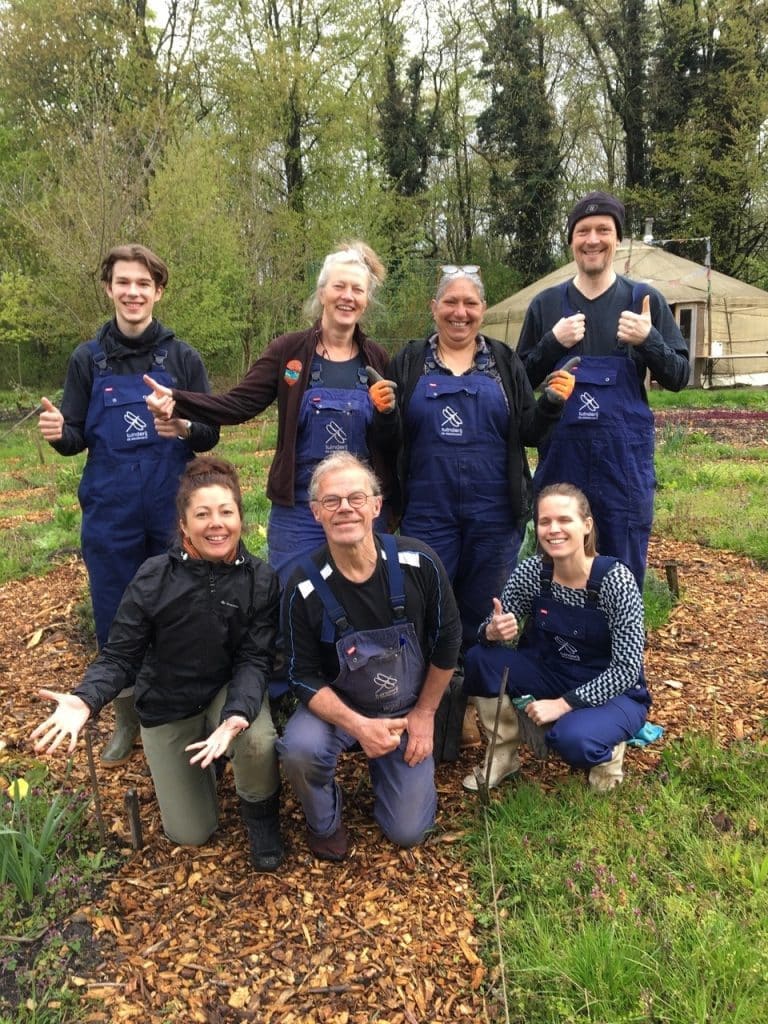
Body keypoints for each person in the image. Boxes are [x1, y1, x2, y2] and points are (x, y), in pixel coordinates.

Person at [29, 457, 284, 870]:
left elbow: (255, 659)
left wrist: (237, 716)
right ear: (184, 525)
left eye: (226, 512)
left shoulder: (261, 579)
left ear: (240, 517)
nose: (215, 524)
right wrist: (86, 700)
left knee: (255, 740)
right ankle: (204, 769)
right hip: (168, 702)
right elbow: (120, 654)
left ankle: (261, 814)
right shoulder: (153, 577)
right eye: (202, 514)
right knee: (191, 834)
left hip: (226, 692)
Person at [38, 244, 219, 766]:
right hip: (110, 512)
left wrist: (182, 424)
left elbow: (208, 433)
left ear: (158, 290)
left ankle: (178, 708)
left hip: (171, 509)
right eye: (123, 282)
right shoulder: (87, 358)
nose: (133, 292)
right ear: (109, 288)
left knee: (179, 608)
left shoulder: (182, 358)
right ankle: (124, 715)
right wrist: (57, 433)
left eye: (144, 283)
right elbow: (74, 435)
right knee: (115, 615)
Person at [143, 241, 396, 588]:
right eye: (339, 286)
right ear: (322, 292)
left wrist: (388, 414)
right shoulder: (288, 351)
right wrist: (177, 398)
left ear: (366, 300)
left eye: (357, 289)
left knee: (364, 594)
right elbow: (238, 404)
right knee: (294, 594)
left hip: (357, 506)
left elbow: (392, 441)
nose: (347, 296)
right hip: (299, 506)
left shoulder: (377, 360)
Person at [277, 452, 462, 861]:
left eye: (356, 498)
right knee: (300, 748)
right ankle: (323, 821)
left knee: (408, 832)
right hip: (341, 711)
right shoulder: (303, 586)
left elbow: (448, 641)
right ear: (315, 513)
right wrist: (358, 725)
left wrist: (426, 714)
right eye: (332, 501)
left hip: (407, 711)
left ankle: (394, 777)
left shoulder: (419, 564)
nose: (345, 508)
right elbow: (300, 674)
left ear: (376, 506)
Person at [386, 264, 573, 648]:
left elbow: (530, 433)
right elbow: (391, 441)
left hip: (494, 514)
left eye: (469, 303)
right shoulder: (409, 362)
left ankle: (479, 687)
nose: (460, 312)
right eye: (450, 302)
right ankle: (432, 693)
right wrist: (384, 414)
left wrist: (551, 404)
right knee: (427, 604)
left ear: (483, 309)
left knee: (486, 611)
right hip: (427, 513)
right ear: (433, 306)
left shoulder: (504, 362)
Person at [517, 191, 689, 589]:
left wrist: (649, 340)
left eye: (603, 230)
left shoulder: (642, 300)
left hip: (622, 470)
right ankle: (559, 643)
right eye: (583, 231)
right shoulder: (545, 305)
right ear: (571, 240)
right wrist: (552, 344)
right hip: (562, 465)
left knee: (621, 570)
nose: (592, 239)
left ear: (618, 239)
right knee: (558, 565)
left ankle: (620, 646)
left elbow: (679, 375)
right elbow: (518, 381)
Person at [462, 483, 650, 793]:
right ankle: (503, 755)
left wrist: (563, 705)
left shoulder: (616, 580)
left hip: (617, 691)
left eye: (565, 520)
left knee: (572, 741)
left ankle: (609, 751)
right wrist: (491, 631)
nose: (553, 530)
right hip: (552, 673)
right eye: (545, 521)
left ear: (586, 526)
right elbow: (491, 625)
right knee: (479, 659)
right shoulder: (532, 572)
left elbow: (627, 669)